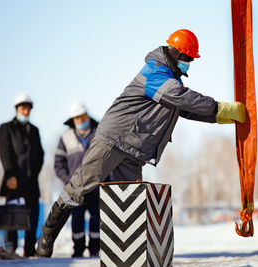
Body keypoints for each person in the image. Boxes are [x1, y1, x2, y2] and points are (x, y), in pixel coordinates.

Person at [37, 29, 246, 257]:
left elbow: (183, 108)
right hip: (113, 139)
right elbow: (181, 97)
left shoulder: (170, 80)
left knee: (130, 201)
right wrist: (218, 107)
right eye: (187, 58)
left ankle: (125, 252)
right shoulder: (155, 72)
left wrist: (220, 117)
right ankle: (47, 235)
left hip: (134, 149)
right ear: (175, 55)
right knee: (79, 187)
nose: (189, 64)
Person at [0, 93, 44, 257]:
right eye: (22, 108)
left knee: (33, 215)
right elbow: (5, 152)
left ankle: (29, 248)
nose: (25, 111)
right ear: (17, 109)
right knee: (12, 213)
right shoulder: (6, 128)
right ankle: (10, 248)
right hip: (14, 180)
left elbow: (40, 155)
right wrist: (10, 174)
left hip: (31, 181)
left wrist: (34, 173)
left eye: (28, 109)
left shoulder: (34, 130)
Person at [54, 102, 101, 257]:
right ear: (72, 119)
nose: (80, 120)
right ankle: (78, 249)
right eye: (76, 118)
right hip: (74, 189)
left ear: (87, 115)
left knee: (96, 218)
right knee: (77, 218)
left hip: (96, 187)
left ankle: (95, 248)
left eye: (82, 116)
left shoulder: (99, 132)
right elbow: (58, 163)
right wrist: (68, 181)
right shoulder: (65, 137)